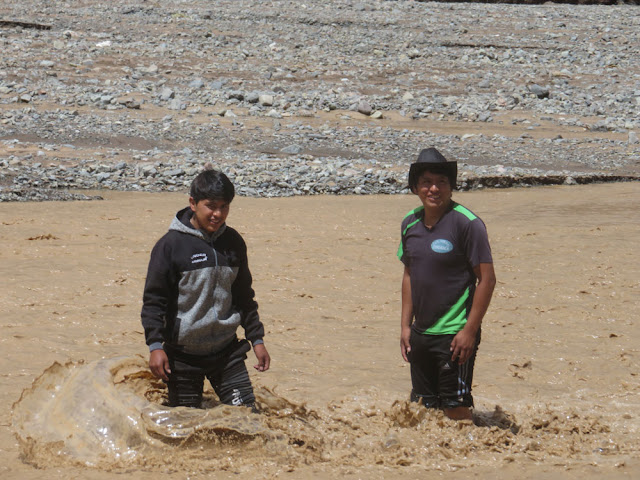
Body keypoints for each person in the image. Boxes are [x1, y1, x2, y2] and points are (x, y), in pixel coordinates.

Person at [141, 169, 270, 410]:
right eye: (211, 206)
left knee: (247, 419)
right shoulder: (170, 246)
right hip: (182, 356)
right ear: (193, 203)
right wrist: (155, 346)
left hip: (226, 352)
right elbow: (154, 301)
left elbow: (244, 295)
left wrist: (257, 338)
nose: (218, 214)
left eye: (224, 206)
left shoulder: (233, 243)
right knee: (185, 428)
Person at [397, 147, 496, 421]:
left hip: (455, 334)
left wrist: (469, 331)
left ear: (451, 187)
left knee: (455, 409)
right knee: (422, 411)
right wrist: (405, 326)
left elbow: (487, 279)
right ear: (416, 186)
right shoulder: (409, 224)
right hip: (421, 334)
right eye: (426, 182)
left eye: (441, 182)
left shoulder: (468, 224)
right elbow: (409, 275)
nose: (434, 189)